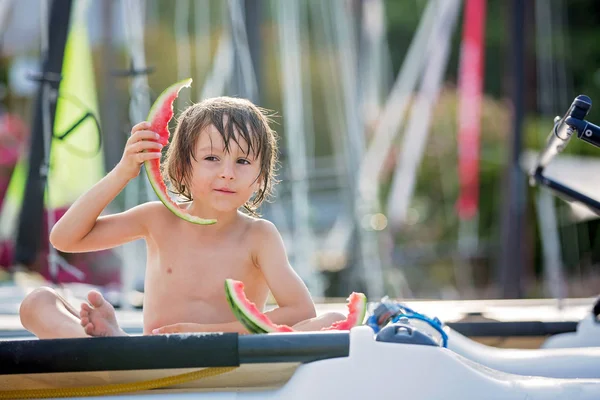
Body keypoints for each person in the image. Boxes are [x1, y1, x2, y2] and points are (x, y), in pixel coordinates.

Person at [19, 96, 345, 339]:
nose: (228, 174)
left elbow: (302, 311)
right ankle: (116, 345)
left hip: (224, 354)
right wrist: (122, 172)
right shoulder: (158, 219)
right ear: (181, 169)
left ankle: (112, 351)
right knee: (37, 302)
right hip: (152, 354)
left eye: (243, 162)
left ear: (260, 177)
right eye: (212, 158)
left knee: (330, 317)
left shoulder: (259, 236)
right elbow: (64, 238)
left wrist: (210, 333)